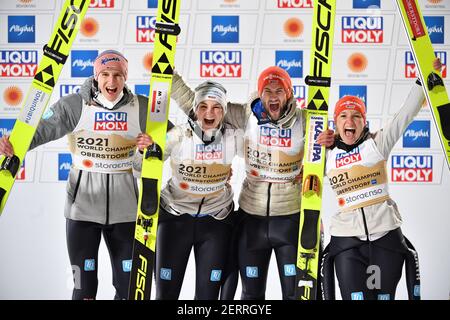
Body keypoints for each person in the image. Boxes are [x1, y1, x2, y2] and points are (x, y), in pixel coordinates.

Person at [0, 50, 170, 300]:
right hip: (82, 212)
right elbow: (42, 130)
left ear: (125, 77)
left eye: (118, 75)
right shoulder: (75, 105)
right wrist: (15, 146)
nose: (111, 82)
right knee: (84, 289)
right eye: (105, 75)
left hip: (127, 214)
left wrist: (150, 149)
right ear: (96, 76)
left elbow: (173, 143)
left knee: (130, 290)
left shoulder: (141, 107)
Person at [171, 66, 317, 300]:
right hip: (251, 216)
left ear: (289, 94)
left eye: (279, 90)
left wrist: (318, 159)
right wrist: (168, 72)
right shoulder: (246, 115)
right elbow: (198, 105)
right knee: (250, 294)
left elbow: (331, 153)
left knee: (295, 294)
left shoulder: (305, 120)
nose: (273, 96)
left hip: (289, 216)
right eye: (267, 90)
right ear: (260, 94)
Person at [316, 58, 442, 300]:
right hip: (347, 242)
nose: (350, 121)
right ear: (336, 123)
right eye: (343, 116)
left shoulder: (377, 145)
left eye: (356, 116)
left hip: (386, 238)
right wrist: (315, 141)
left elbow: (404, 115)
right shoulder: (325, 155)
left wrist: (423, 78)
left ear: (365, 122)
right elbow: (294, 165)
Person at [133, 81, 242, 299]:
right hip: (175, 220)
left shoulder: (233, 137)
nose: (209, 113)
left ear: (224, 112)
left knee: (207, 298)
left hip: (215, 222)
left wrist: (297, 170)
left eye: (216, 107)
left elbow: (264, 158)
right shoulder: (177, 135)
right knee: (166, 294)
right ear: (194, 110)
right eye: (203, 106)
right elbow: (138, 168)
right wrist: (142, 151)